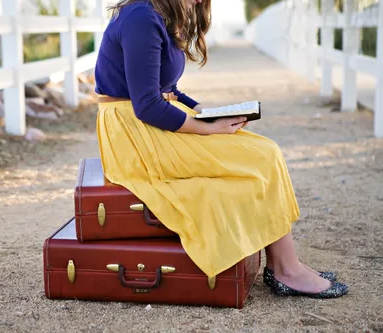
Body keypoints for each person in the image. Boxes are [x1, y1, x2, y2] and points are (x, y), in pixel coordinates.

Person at [93, 0, 348, 298]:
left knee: (263, 149)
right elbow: (147, 105)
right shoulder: (141, 16)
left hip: (150, 123)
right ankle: (287, 270)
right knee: (262, 156)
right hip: (134, 135)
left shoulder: (159, 13)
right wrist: (207, 128)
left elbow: (168, 88)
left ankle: (283, 263)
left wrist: (206, 112)